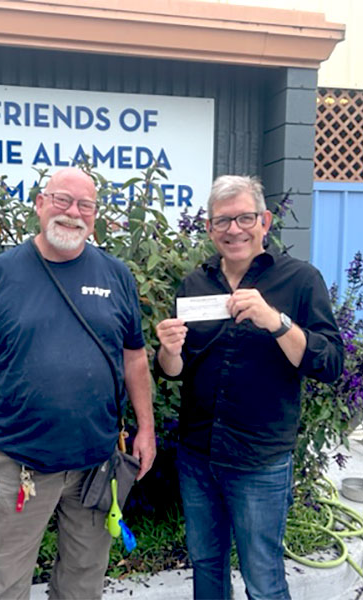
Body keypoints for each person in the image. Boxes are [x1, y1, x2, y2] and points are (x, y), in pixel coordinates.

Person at [0, 167, 156, 600]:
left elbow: (135, 358)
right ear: (40, 204)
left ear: (96, 217)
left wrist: (146, 429)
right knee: (5, 584)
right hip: (18, 462)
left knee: (83, 583)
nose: (73, 213)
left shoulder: (117, 276)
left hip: (96, 462)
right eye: (62, 200)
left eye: (85, 205)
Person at [155, 175, 343, 600]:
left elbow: (329, 364)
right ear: (209, 228)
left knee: (263, 577)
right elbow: (173, 371)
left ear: (265, 221)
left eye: (244, 218)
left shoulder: (300, 280)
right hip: (197, 455)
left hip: (260, 460)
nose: (234, 229)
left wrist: (276, 322)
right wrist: (168, 350)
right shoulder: (194, 284)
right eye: (223, 221)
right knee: (205, 565)